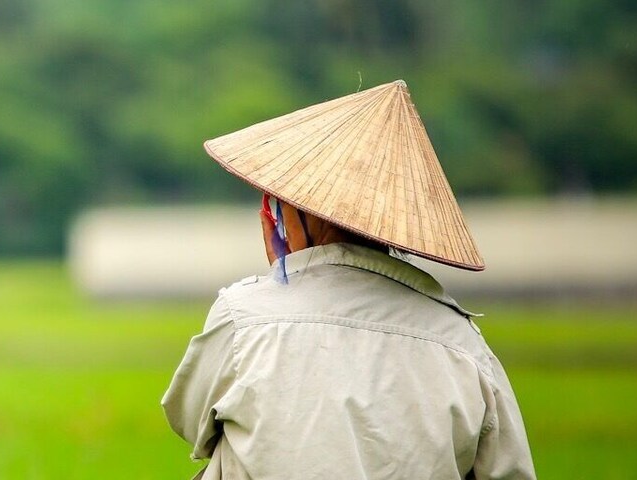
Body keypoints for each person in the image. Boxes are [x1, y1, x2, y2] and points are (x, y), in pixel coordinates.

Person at [162, 80, 535, 479]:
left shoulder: (245, 320)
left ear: (306, 213)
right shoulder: (462, 344)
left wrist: (282, 274)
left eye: (279, 204)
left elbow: (188, 420)